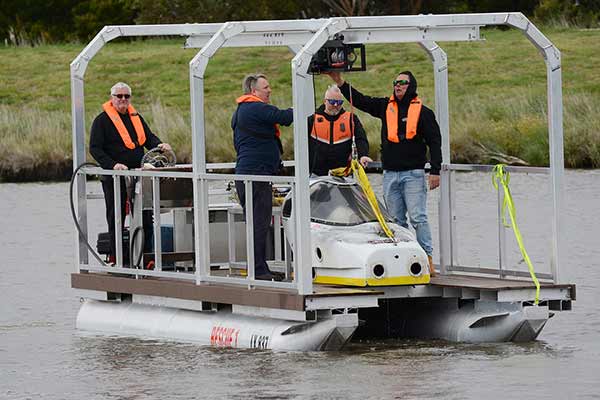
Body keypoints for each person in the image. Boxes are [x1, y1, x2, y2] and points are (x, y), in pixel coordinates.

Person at [328, 71, 441, 276]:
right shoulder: (384, 106)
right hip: (390, 174)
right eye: (395, 82)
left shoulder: (424, 113)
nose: (397, 86)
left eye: (402, 83)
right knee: (396, 220)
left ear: (411, 86)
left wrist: (435, 170)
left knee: (418, 218)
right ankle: (405, 260)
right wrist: (340, 82)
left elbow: (435, 142)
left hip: (413, 174)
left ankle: (427, 258)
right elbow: (361, 101)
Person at [90, 82, 172, 264]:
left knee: (145, 214)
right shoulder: (101, 121)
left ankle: (147, 256)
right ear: (112, 98)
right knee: (116, 216)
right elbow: (95, 149)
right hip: (114, 177)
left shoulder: (136, 117)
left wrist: (159, 145)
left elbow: (148, 138)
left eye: (126, 96)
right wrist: (113, 165)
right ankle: (118, 258)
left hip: (138, 175)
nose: (123, 100)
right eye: (119, 96)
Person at [232, 73, 293, 281]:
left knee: (257, 223)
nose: (270, 90)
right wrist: (304, 107)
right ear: (253, 91)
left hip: (250, 175)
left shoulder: (243, 110)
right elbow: (285, 117)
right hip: (255, 176)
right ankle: (258, 271)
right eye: (265, 87)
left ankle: (259, 267)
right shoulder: (256, 108)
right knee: (259, 223)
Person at [308, 85, 372, 175]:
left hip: (342, 174)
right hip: (316, 174)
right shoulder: (312, 120)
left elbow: (361, 139)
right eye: (332, 102)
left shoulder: (351, 119)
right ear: (325, 101)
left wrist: (363, 155)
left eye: (339, 102)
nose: (335, 105)